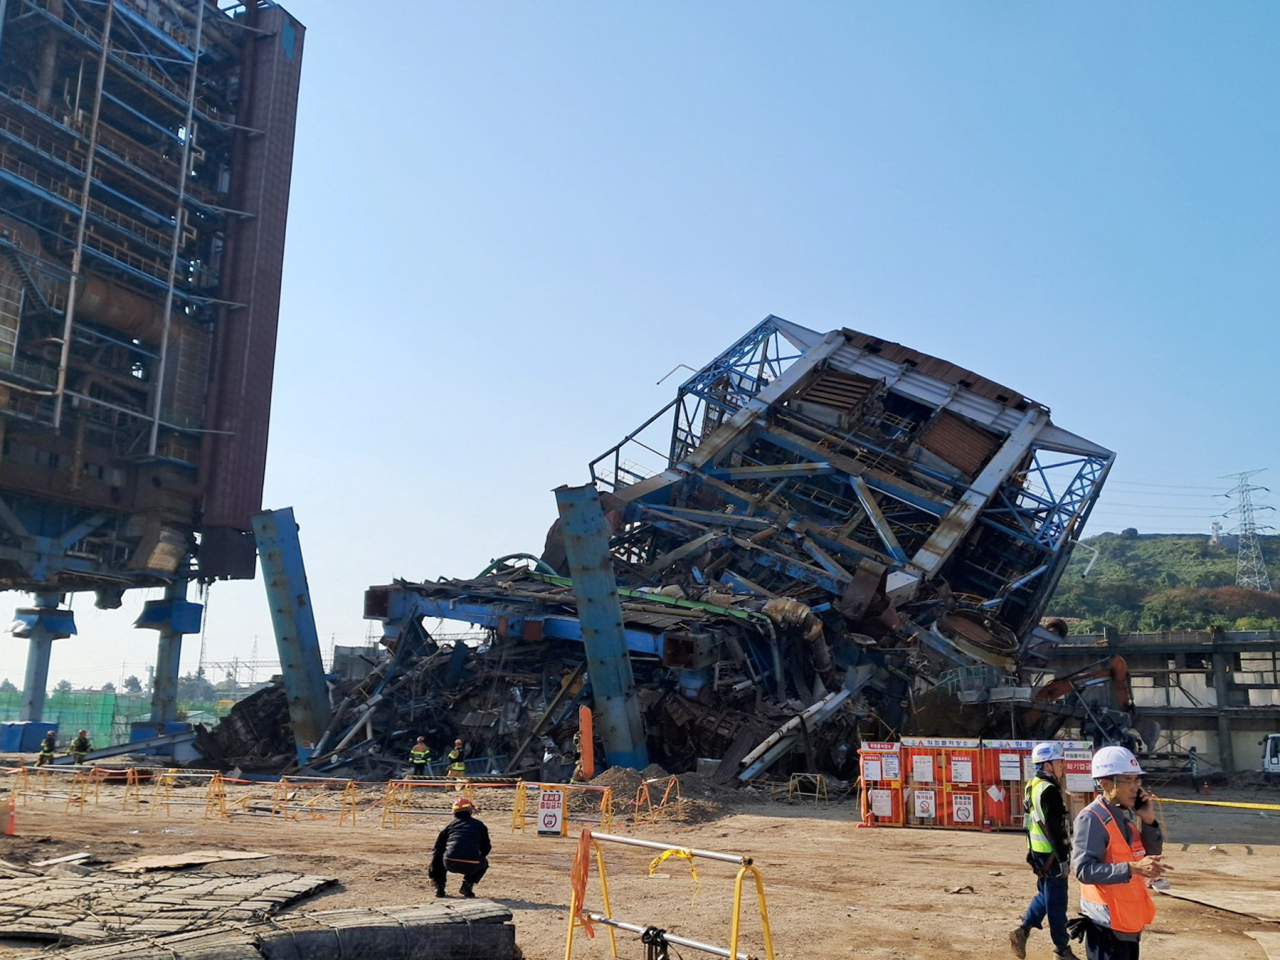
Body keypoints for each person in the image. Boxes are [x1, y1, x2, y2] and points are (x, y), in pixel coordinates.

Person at [1070, 745, 1172, 960]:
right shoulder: (1092, 819)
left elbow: (1149, 854)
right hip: (1106, 927)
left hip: (1127, 921)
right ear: (1106, 784)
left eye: (1137, 780)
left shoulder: (1123, 819)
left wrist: (1148, 821)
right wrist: (1132, 868)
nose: (1135, 788)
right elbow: (1084, 870)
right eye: (1128, 781)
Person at [1010, 742, 1078, 960]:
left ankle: (1023, 930)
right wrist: (1063, 858)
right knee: (1057, 904)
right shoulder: (1049, 790)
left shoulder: (1032, 785)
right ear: (1048, 765)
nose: (1063, 765)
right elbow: (1054, 828)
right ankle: (1062, 949)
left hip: (1040, 853)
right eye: (1059, 761)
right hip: (1052, 855)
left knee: (1046, 895)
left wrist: (1031, 852)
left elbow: (1029, 822)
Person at [428, 797, 491, 898]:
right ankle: (467, 886)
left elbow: (437, 850)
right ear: (470, 811)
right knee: (484, 863)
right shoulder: (480, 825)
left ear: (454, 813)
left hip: (450, 862)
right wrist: (478, 857)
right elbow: (486, 847)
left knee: (441, 856)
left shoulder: (449, 826)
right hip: (472, 864)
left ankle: (439, 888)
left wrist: (432, 875)